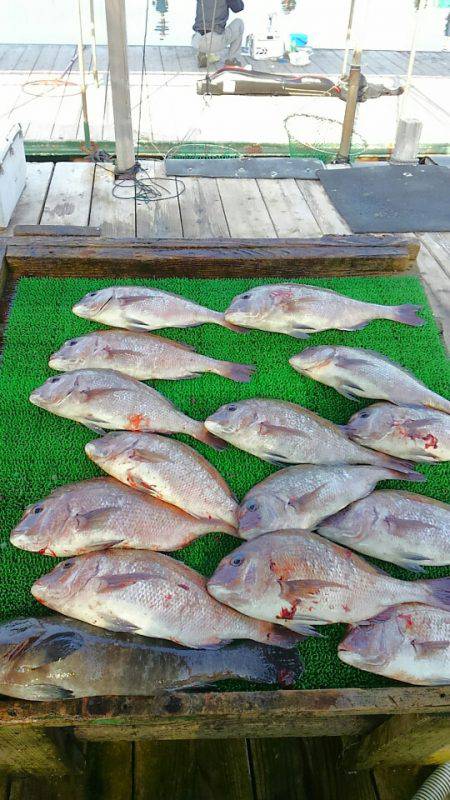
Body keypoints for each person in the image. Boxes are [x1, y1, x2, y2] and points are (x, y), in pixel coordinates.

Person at [192, 0, 245, 69]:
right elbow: (238, 8)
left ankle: (203, 54)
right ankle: (231, 61)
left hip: (196, 40)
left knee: (205, 21)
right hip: (212, 41)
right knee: (239, 23)